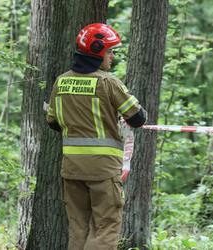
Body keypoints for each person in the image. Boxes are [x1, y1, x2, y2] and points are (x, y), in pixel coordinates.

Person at [46, 23, 147, 250]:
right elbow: (138, 118)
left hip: (71, 169)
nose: (112, 56)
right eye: (109, 51)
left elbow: (52, 122)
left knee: (78, 228)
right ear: (97, 51)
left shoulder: (61, 82)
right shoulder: (108, 82)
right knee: (106, 226)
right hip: (103, 170)